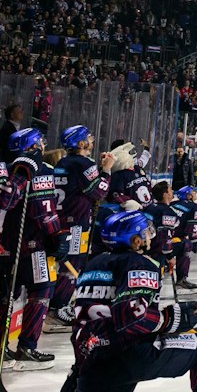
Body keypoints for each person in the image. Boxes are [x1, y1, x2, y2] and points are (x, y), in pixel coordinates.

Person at [58, 210, 197, 392]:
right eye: (145, 232)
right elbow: (131, 317)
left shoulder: (91, 265)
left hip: (90, 359)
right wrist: (170, 319)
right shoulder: (140, 263)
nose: (149, 236)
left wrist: (79, 371)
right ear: (135, 240)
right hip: (128, 357)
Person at [1, 128, 63, 369]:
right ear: (34, 146)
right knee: (43, 291)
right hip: (34, 246)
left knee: (7, 295)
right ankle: (27, 347)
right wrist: (57, 236)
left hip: (6, 244)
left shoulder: (6, 167)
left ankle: (3, 350)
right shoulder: (41, 169)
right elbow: (44, 209)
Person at [52, 124, 115, 323]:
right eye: (89, 137)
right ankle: (58, 309)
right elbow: (99, 191)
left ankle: (57, 306)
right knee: (72, 265)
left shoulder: (63, 161)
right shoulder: (83, 164)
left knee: (65, 264)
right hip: (75, 224)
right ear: (80, 143)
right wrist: (106, 171)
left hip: (61, 220)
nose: (92, 140)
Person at [142, 181, 182, 291]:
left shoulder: (149, 208)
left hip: (142, 250)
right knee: (155, 284)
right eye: (170, 189)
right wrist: (170, 257)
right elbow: (164, 237)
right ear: (165, 194)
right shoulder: (168, 212)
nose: (172, 191)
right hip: (156, 252)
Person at [170, 187, 197, 291]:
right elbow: (192, 227)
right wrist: (195, 241)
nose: (195, 193)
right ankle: (181, 279)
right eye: (194, 192)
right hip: (176, 241)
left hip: (162, 239)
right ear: (188, 195)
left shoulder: (172, 204)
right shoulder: (195, 208)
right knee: (187, 245)